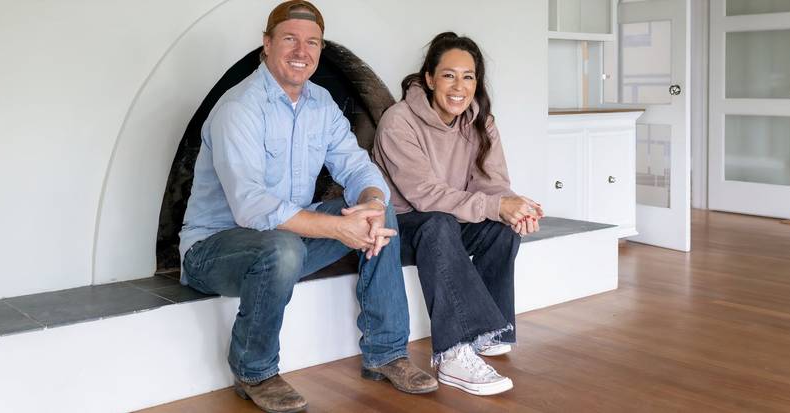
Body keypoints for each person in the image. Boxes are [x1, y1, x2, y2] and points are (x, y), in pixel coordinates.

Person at [178, 2, 437, 411]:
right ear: (267, 44)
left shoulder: (321, 104)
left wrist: (369, 202)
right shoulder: (239, 107)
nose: (302, 51)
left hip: (288, 241)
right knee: (282, 247)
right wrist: (337, 228)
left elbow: (358, 167)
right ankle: (255, 371)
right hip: (213, 251)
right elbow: (251, 207)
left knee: (378, 210)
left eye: (312, 42)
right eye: (290, 39)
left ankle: (386, 353)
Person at [372, 32, 544, 396]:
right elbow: (424, 197)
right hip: (402, 226)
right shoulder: (398, 122)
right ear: (430, 78)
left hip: (450, 219)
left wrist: (515, 209)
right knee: (438, 223)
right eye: (449, 75)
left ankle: (488, 332)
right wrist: (497, 206)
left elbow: (494, 185)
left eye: (468, 76)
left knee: (502, 229)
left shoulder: (481, 121)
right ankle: (453, 352)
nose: (459, 86)